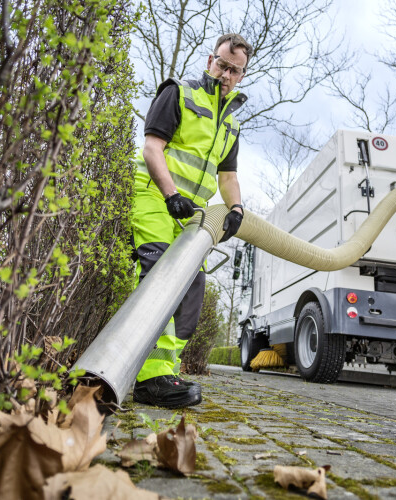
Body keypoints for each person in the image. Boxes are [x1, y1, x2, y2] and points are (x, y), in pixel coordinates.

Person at [131, 33, 253, 408]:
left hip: (192, 216)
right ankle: (149, 379)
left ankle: (163, 372)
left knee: (189, 294)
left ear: (242, 75)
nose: (226, 74)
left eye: (235, 70)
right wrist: (170, 195)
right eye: (222, 65)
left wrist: (235, 209)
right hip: (155, 198)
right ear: (209, 61)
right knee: (159, 282)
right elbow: (153, 148)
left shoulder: (230, 123)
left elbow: (228, 177)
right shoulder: (179, 93)